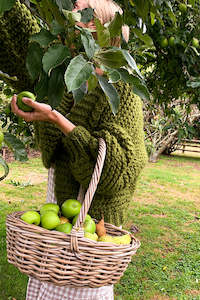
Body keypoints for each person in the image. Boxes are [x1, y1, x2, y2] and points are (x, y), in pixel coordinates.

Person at [10, 0, 147, 299]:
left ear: (99, 29)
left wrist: (58, 120)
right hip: (61, 212)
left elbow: (117, 167)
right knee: (47, 284)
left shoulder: (119, 86)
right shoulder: (67, 75)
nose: (71, 12)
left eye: (82, 10)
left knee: (79, 290)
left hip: (92, 226)